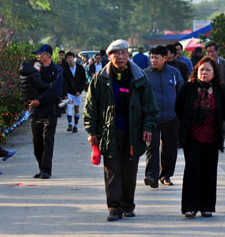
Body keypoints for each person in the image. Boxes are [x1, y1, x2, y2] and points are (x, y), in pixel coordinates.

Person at [84, 39, 158, 222]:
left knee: (129, 170)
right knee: (112, 170)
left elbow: (150, 106)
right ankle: (114, 208)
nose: (120, 57)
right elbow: (90, 108)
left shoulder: (139, 78)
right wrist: (92, 131)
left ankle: (128, 205)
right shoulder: (100, 79)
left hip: (133, 131)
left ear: (128, 55)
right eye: (116, 54)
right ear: (109, 56)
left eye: (124, 53)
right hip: (109, 132)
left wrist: (148, 127)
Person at [175, 57, 225, 218]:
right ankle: (190, 207)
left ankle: (207, 207)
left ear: (214, 73)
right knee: (192, 170)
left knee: (209, 172)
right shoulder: (188, 87)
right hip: (192, 137)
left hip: (212, 137)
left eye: (208, 70)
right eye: (201, 70)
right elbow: (179, 107)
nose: (204, 73)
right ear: (196, 71)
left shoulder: (220, 89)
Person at [144, 46, 183, 188]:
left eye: (156, 58)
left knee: (170, 148)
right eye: (151, 57)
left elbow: (181, 92)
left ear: (164, 58)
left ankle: (165, 175)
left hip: (171, 117)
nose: (153, 60)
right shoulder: (145, 75)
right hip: (151, 118)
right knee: (152, 147)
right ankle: (151, 176)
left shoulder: (174, 73)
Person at [29, 44, 63, 179]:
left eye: (40, 54)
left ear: (47, 55)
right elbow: (28, 86)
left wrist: (40, 100)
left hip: (50, 111)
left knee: (47, 141)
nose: (37, 57)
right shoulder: (34, 69)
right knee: (37, 144)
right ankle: (41, 167)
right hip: (35, 111)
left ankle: (46, 170)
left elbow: (54, 90)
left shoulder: (58, 70)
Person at [63, 51, 87, 133]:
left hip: (77, 92)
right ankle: (70, 124)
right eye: (68, 58)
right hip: (69, 92)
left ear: (74, 58)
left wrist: (79, 91)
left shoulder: (80, 68)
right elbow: (64, 82)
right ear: (66, 60)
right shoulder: (65, 70)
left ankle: (75, 126)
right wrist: (65, 94)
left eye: (71, 58)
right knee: (69, 107)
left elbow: (83, 80)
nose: (70, 59)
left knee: (76, 108)